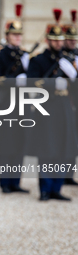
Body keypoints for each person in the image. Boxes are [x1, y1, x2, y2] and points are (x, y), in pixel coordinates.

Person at [25, 9, 78, 201]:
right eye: (55, 40)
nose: (58, 43)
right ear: (48, 40)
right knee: (47, 149)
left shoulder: (69, 59)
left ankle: (57, 187)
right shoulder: (39, 60)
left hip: (64, 107)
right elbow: (31, 83)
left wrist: (74, 76)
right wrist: (51, 83)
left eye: (61, 40)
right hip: (46, 108)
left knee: (64, 147)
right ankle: (45, 189)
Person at [0, 4, 29, 194]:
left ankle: (16, 182)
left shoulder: (25, 54)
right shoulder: (0, 54)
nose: (18, 38)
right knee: (6, 144)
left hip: (21, 103)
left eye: (19, 35)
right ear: (7, 35)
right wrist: (15, 81)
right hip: (6, 104)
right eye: (14, 35)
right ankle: (5, 183)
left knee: (20, 142)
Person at [62, 10, 78, 186]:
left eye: (75, 39)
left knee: (74, 140)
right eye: (70, 39)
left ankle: (70, 173)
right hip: (65, 101)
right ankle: (63, 174)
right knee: (65, 137)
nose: (73, 41)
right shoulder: (60, 57)